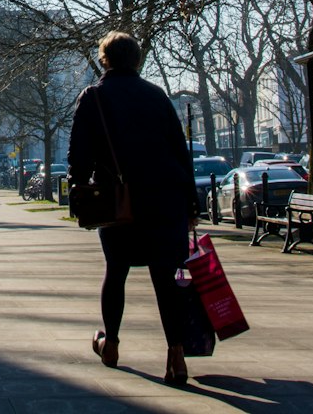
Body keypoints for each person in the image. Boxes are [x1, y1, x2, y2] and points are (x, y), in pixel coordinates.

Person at [69, 31, 199, 387]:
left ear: (104, 59)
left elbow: (78, 154)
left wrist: (78, 195)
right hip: (166, 199)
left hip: (119, 200)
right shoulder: (157, 96)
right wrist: (191, 203)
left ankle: (110, 344)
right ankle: (176, 355)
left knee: (116, 271)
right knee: (166, 279)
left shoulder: (93, 97)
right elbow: (179, 152)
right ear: (137, 60)